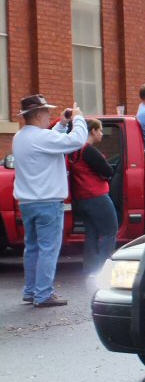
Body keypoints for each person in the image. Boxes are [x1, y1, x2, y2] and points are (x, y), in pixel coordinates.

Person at [13, 94, 88, 307]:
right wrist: (79, 118)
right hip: (48, 202)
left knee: (33, 248)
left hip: (27, 201)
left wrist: (63, 123)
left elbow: (49, 140)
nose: (49, 115)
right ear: (37, 115)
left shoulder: (21, 137)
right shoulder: (41, 138)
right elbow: (77, 141)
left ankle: (31, 290)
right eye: (46, 112)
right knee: (48, 248)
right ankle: (43, 294)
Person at [68, 119, 118, 274]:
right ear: (93, 131)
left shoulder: (73, 150)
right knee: (110, 231)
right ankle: (105, 269)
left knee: (91, 234)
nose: (102, 134)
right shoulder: (88, 150)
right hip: (97, 196)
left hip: (82, 198)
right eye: (100, 130)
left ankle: (90, 269)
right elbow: (107, 171)